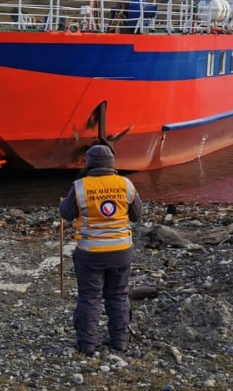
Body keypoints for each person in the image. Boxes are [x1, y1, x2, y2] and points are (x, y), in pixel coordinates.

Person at [59, 144, 143, 355]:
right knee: (118, 295)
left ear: (89, 163)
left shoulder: (80, 186)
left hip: (90, 253)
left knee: (89, 297)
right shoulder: (126, 184)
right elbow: (137, 215)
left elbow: (67, 214)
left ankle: (87, 344)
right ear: (111, 163)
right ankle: (120, 341)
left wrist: (65, 205)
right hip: (121, 251)